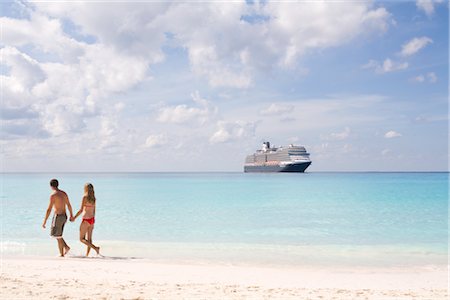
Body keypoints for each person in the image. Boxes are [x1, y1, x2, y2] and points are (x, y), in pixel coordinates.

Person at [42, 179, 74, 257]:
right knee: (57, 235)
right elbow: (69, 205)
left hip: (58, 216)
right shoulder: (64, 193)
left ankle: (62, 253)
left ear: (51, 186)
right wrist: (71, 215)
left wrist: (44, 221)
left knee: (57, 236)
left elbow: (49, 209)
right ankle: (66, 247)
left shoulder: (53, 195)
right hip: (64, 216)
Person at [72, 183, 100, 256]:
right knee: (89, 239)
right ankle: (87, 255)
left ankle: (96, 248)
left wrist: (74, 217)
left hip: (86, 219)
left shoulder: (85, 197)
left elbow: (81, 210)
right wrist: (93, 219)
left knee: (81, 239)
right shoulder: (94, 198)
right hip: (92, 219)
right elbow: (94, 210)